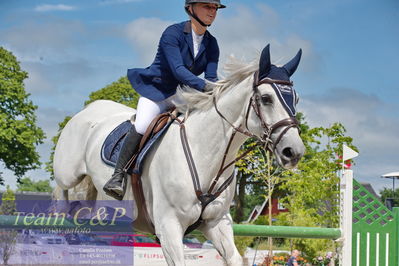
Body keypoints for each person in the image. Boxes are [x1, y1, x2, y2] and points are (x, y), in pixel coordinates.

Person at [103, 0, 226, 200]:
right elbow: (178, 70)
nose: (212, 12)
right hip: (157, 91)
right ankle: (117, 176)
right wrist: (206, 87)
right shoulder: (173, 33)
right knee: (142, 125)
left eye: (214, 8)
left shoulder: (212, 43)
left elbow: (212, 77)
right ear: (190, 8)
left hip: (183, 95)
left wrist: (219, 91)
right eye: (207, 6)